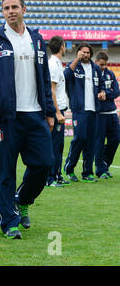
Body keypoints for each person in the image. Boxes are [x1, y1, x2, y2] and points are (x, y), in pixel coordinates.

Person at [0, 0, 56, 239]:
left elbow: (44, 77)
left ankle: (22, 200)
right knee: (6, 171)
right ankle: (9, 222)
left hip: (35, 115)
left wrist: (50, 112)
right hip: (6, 118)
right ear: (2, 12)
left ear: (24, 9)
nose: (10, 11)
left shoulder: (37, 40)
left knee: (44, 164)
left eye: (14, 7)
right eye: (6, 8)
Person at [63, 43, 105, 183]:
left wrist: (102, 92)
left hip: (94, 110)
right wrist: (76, 59)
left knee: (91, 142)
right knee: (79, 138)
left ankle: (87, 172)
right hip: (79, 109)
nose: (85, 55)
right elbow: (66, 76)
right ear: (78, 53)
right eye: (83, 52)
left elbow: (101, 85)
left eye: (87, 52)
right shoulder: (74, 66)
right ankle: (69, 169)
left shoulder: (95, 68)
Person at [46, 36, 70, 187]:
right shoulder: (53, 65)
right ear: (62, 46)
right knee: (54, 145)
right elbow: (52, 91)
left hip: (60, 109)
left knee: (59, 144)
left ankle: (57, 174)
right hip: (57, 110)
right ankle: (50, 178)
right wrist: (57, 113)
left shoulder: (56, 63)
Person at [94, 51, 119, 179]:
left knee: (115, 139)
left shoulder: (110, 74)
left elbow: (117, 92)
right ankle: (101, 170)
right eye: (101, 64)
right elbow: (93, 93)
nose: (103, 67)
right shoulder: (93, 74)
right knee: (99, 142)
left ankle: (105, 163)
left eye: (105, 65)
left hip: (112, 113)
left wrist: (105, 94)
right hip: (100, 115)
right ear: (96, 62)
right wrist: (99, 94)